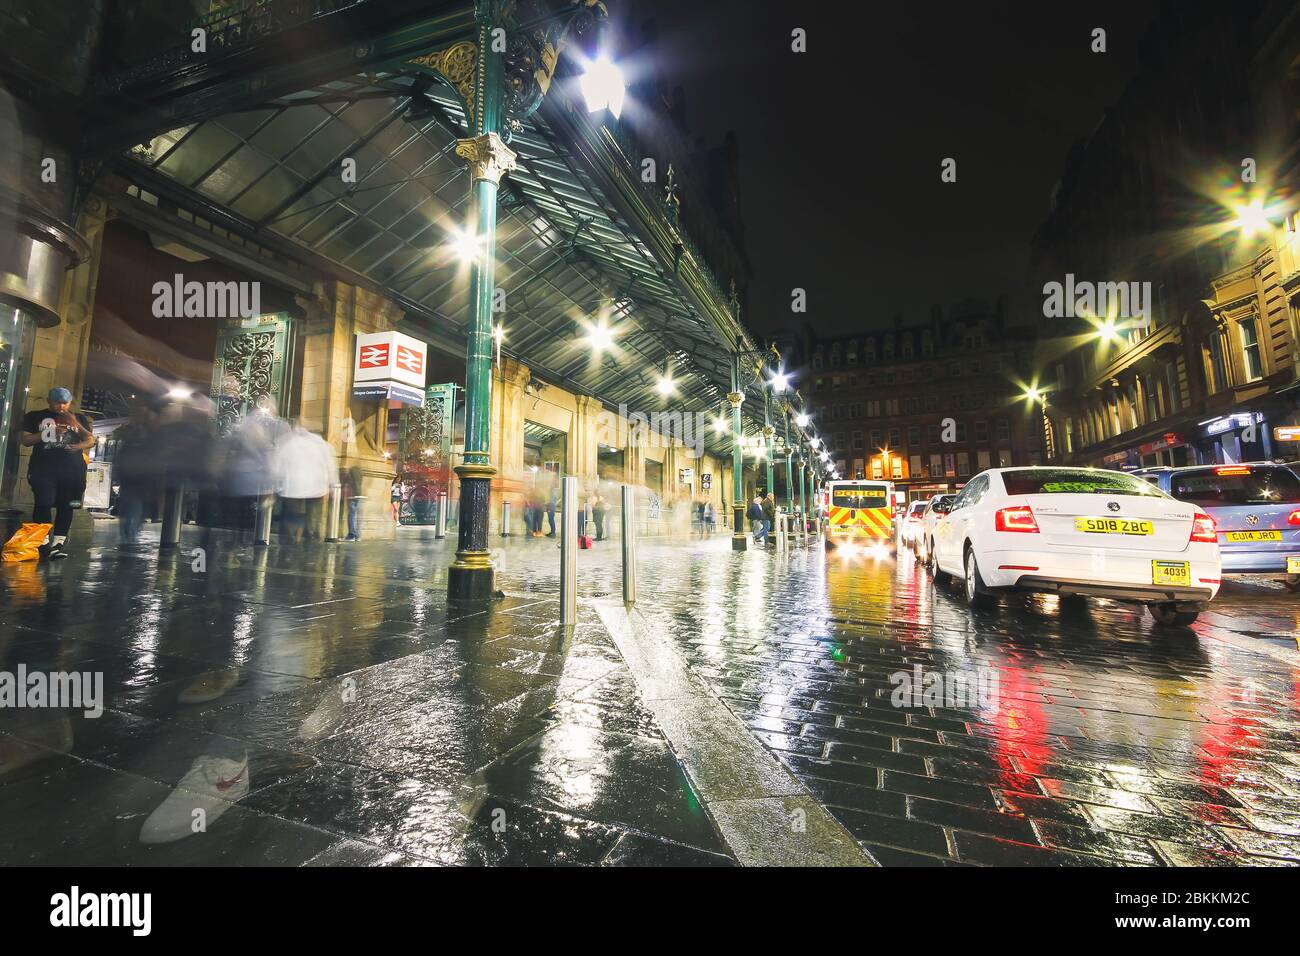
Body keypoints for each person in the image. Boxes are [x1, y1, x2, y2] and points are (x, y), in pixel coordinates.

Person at [20, 387, 96, 560]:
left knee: (66, 505)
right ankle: (43, 542)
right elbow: (25, 440)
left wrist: (78, 443)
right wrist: (48, 432)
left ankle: (58, 544)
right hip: (43, 468)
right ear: (49, 401)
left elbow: (91, 440)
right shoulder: (35, 416)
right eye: (57, 403)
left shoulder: (79, 418)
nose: (61, 407)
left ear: (70, 403)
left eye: (65, 403)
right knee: (43, 502)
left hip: (72, 470)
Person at [343, 464, 365, 541]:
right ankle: (358, 536)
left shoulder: (350, 473)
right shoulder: (360, 474)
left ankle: (352, 535)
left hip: (352, 495)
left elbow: (346, 482)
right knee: (358, 517)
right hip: (359, 495)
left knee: (351, 516)